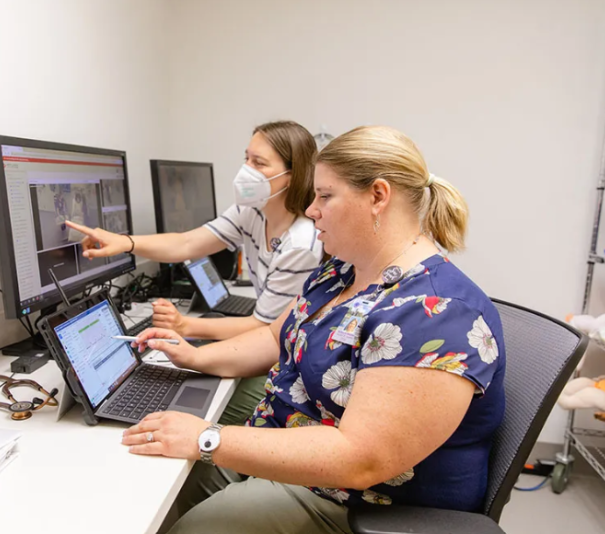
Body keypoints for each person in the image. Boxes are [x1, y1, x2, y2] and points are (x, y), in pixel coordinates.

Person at [121, 126, 506, 534]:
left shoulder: (436, 313)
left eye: (325, 196)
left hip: (358, 501)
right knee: (153, 494)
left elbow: (361, 458)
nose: (310, 210)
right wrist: (194, 356)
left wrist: (208, 438)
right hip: (291, 451)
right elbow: (275, 336)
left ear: (378, 196)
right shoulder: (342, 271)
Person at [65, 120, 323, 342]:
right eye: (246, 159)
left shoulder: (300, 243)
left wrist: (185, 326)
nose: (246, 170)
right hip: (269, 341)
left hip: (288, 355)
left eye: (259, 163)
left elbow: (263, 328)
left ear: (292, 175)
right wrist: (125, 243)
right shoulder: (252, 211)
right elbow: (187, 244)